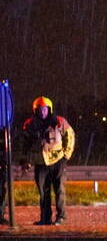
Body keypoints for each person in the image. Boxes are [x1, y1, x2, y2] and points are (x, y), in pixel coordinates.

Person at [19, 96, 75, 226]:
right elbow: (24, 144)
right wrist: (25, 160)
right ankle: (45, 218)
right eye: (39, 109)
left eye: (44, 109)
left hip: (58, 161)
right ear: (35, 111)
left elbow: (70, 136)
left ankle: (61, 217)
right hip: (40, 163)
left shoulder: (59, 122)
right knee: (44, 193)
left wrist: (66, 156)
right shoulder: (29, 125)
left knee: (59, 190)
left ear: (49, 109)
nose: (42, 112)